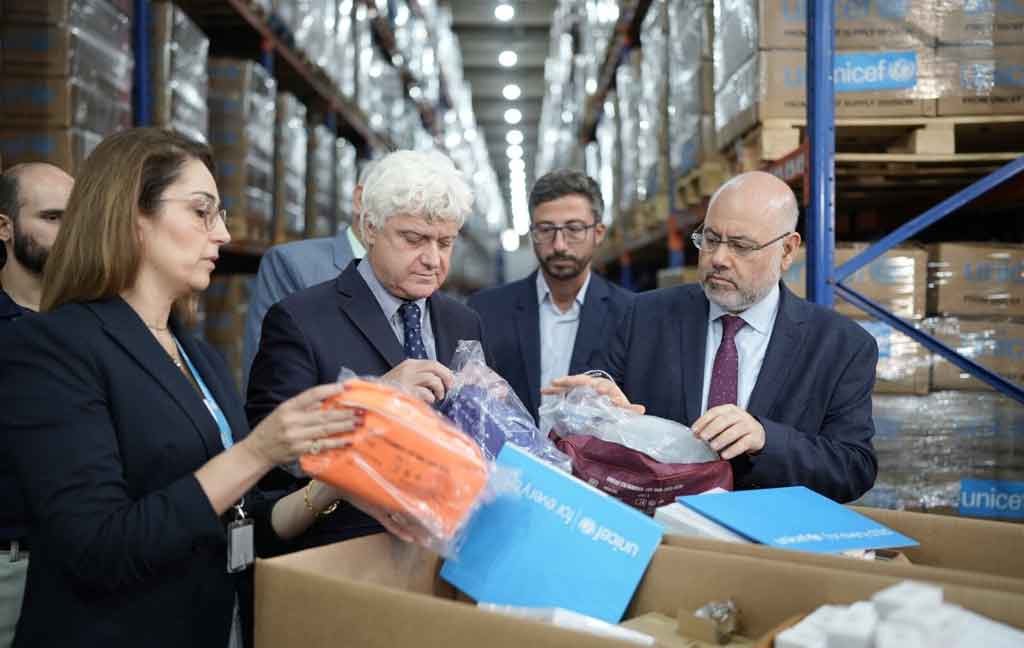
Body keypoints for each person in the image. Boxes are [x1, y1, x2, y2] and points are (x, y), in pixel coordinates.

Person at [0, 128, 364, 648]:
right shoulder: (53, 348)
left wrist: (332, 483)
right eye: (201, 212)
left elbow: (239, 522)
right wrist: (258, 451)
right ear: (132, 216)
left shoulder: (198, 357)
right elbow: (98, 547)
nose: (223, 234)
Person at [547, 171, 878, 503]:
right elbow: (582, 437)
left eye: (740, 246)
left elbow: (853, 468)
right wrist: (597, 412)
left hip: (767, 530)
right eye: (710, 239)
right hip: (662, 525)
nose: (718, 258)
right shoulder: (641, 317)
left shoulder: (841, 346)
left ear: (787, 250)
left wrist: (766, 439)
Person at [246, 149, 483, 549]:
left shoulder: (464, 322)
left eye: (445, 243)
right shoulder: (300, 319)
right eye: (413, 239)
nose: (432, 259)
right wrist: (375, 399)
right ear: (370, 228)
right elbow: (272, 452)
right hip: (346, 552)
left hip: (447, 551)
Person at [467, 170, 633, 422]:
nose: (559, 245)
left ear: (598, 233)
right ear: (532, 232)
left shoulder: (629, 314)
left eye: (574, 229)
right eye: (545, 230)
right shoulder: (486, 311)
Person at [0, 163, 73, 648]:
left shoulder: (97, 325)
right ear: (4, 227)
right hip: (12, 565)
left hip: (87, 565)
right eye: (50, 218)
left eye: (74, 219)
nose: (67, 234)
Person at [242, 162, 374, 383]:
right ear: (361, 200)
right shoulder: (292, 266)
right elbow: (271, 383)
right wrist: (383, 388)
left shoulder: (421, 282)